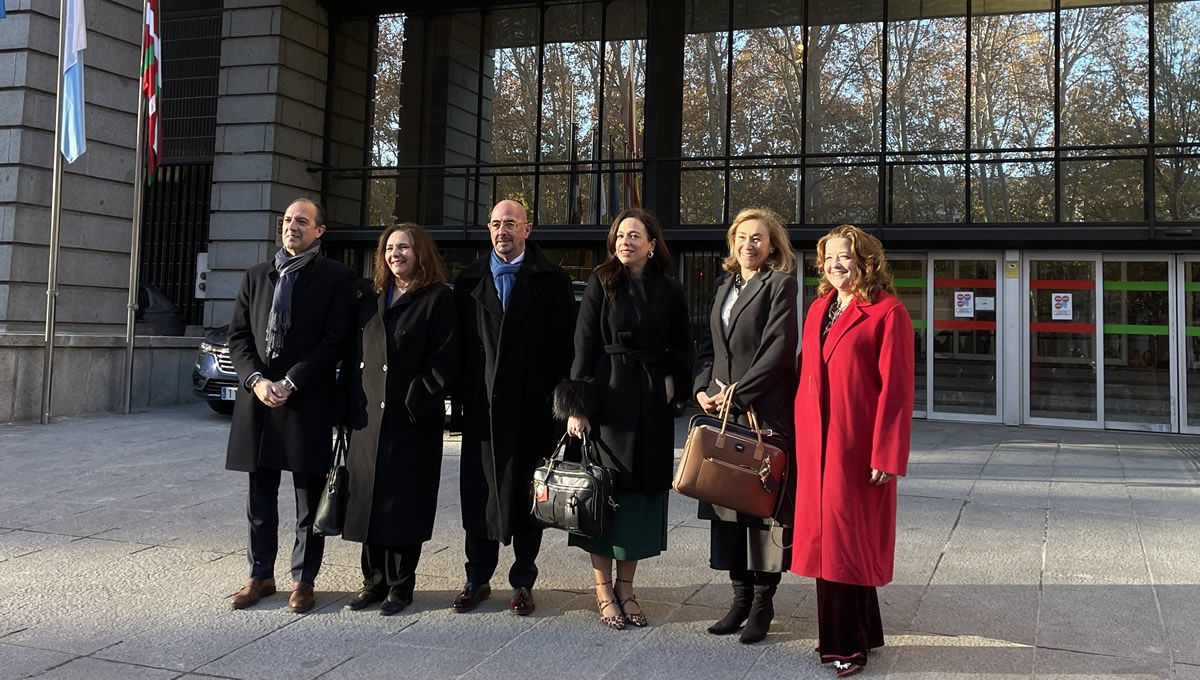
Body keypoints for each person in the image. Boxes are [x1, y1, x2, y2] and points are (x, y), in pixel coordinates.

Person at [555, 208, 692, 630]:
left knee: (639, 492)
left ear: (652, 245)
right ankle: (602, 589)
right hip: (608, 397)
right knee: (603, 493)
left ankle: (627, 587)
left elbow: (684, 342)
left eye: (635, 235)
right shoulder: (601, 281)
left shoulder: (670, 289)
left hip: (650, 400)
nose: (625, 241)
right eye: (620, 235)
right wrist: (576, 405)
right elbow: (583, 342)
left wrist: (673, 377)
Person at [792, 224, 914, 678]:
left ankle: (844, 646)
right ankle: (868, 631)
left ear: (867, 261)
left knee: (842, 542)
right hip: (817, 444)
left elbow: (897, 392)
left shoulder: (888, 313)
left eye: (845, 256)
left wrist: (886, 454)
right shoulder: (820, 307)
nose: (835, 265)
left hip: (856, 446)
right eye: (828, 258)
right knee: (839, 538)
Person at [225, 197, 356, 613]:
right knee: (259, 498)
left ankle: (304, 579)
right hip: (259, 402)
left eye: (302, 221)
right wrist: (256, 381)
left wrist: (291, 380)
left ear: (320, 231)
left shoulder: (336, 278)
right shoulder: (257, 276)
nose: (291, 226)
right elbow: (239, 337)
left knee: (307, 497)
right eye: (286, 220)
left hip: (306, 402)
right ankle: (260, 574)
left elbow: (335, 340)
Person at [451, 199, 576, 616]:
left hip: (532, 412)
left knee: (528, 498)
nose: (502, 231)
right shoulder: (467, 280)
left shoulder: (553, 281)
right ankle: (477, 576)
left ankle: (523, 580)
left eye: (511, 224)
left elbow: (565, 348)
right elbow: (459, 349)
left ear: (528, 229)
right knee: (479, 494)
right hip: (482, 411)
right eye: (496, 224)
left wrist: (559, 405)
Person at [693, 207, 798, 644]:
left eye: (757, 238)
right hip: (721, 412)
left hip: (762, 412)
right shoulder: (723, 286)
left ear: (772, 245)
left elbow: (779, 348)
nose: (748, 245)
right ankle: (737, 599)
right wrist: (701, 388)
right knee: (726, 503)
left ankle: (762, 603)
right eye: (741, 237)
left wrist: (739, 391)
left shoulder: (781, 285)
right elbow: (708, 347)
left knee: (761, 509)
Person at [341, 223, 457, 616]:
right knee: (368, 500)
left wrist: (417, 398)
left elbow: (445, 358)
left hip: (411, 419)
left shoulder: (438, 298)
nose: (395, 254)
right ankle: (372, 581)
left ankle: (400, 585)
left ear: (420, 252)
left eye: (404, 247)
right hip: (369, 418)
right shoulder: (371, 297)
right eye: (389, 248)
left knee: (403, 503)